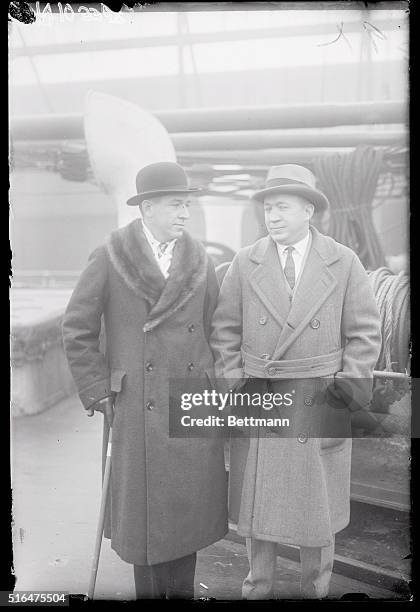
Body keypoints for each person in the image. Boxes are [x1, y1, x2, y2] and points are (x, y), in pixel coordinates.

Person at [210, 164, 381, 599]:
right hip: (261, 393)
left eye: (282, 207)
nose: (273, 216)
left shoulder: (343, 262)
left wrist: (346, 389)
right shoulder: (244, 264)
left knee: (316, 509)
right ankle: (258, 587)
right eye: (268, 208)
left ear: (309, 210)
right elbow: (225, 330)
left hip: (319, 395)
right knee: (259, 504)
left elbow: (365, 333)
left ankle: (316, 590)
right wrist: (236, 384)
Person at [62, 161, 228, 599]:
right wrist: (98, 389)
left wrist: (214, 387)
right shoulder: (112, 254)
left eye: (187, 205)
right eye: (176, 205)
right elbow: (76, 327)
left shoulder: (200, 260)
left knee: (187, 520)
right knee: (148, 529)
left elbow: (217, 328)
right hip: (136, 405)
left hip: (191, 403)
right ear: (148, 207)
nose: (184, 214)